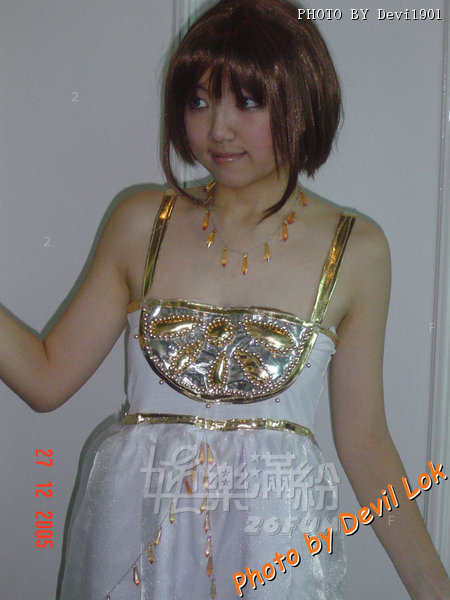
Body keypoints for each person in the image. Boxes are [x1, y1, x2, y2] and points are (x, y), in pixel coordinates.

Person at [1, 0, 449, 598]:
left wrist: (432, 587)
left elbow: (366, 444)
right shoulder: (142, 222)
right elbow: (46, 378)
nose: (217, 129)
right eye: (198, 101)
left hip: (270, 547)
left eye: (248, 101)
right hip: (132, 546)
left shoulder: (355, 250)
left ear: (301, 100)